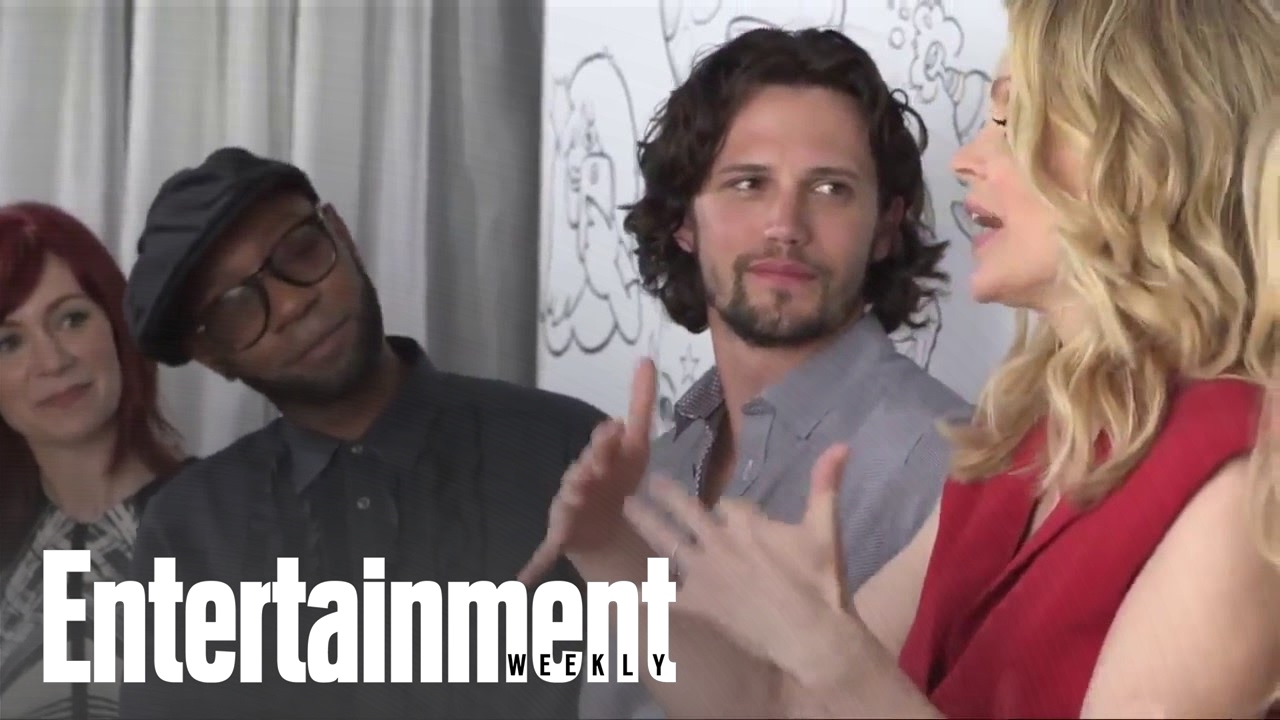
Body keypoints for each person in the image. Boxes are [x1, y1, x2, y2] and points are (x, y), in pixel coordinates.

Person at [539, 0, 1280, 717]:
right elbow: (782, 710)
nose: (966, 159)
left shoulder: (1246, 474)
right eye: (747, 184)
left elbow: (834, 682)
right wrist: (611, 552)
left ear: (1151, 151)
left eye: (1012, 119)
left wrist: (831, 654)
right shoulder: (1018, 442)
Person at [517, 27, 970, 719]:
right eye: (748, 184)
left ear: (885, 227)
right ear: (683, 222)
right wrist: (608, 547)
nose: (785, 224)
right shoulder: (653, 472)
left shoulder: (953, 466)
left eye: (831, 188)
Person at [116, 148, 607, 720]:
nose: (293, 303)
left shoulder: (567, 450)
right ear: (211, 355)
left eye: (300, 250)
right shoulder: (192, 528)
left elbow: (649, 683)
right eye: (235, 307)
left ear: (342, 236)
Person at [0, 202, 188, 720]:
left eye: (72, 318)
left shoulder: (234, 518)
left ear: (118, 326)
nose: (52, 360)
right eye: (9, 341)